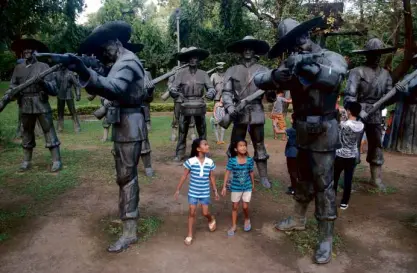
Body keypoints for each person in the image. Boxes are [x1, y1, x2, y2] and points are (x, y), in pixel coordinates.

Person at [253, 17, 348, 264]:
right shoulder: (290, 63)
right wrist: (279, 72)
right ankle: (298, 218)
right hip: (302, 129)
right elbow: (261, 80)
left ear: (308, 35)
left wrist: (306, 64)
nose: (297, 46)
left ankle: (325, 237)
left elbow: (334, 79)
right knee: (302, 178)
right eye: (291, 44)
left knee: (324, 184)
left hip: (325, 129)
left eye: (299, 39)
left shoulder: (330, 56)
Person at [67, 21, 148, 252]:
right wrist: (89, 70)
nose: (103, 55)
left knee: (127, 177)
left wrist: (84, 70)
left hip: (130, 124)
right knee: (123, 176)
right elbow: (102, 87)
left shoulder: (128, 61)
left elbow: (113, 88)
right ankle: (127, 222)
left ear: (115, 43)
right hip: (123, 123)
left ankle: (129, 230)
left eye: (104, 50)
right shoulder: (118, 62)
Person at [222, 36, 274, 189]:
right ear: (241, 51)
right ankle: (233, 174)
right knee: (235, 145)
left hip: (256, 110)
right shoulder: (232, 70)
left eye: (251, 48)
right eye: (245, 48)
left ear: (255, 51)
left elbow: (270, 97)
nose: (248, 51)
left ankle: (263, 176)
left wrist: (271, 91)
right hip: (238, 112)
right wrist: (230, 107)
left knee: (259, 144)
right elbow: (226, 92)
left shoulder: (264, 71)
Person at [344, 38, 396, 191]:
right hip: (357, 113)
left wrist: (391, 98)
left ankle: (376, 178)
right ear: (367, 55)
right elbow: (349, 96)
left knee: (376, 145)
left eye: (379, 54)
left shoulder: (386, 74)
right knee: (352, 145)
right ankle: (348, 179)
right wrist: (359, 111)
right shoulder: (356, 72)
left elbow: (388, 97)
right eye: (373, 54)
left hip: (376, 114)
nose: (376, 57)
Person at [9, 38, 62, 172]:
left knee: (49, 130)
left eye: (29, 49)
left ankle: (56, 160)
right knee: (26, 131)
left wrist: (43, 83)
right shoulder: (18, 68)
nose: (26, 51)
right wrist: (13, 93)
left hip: (41, 102)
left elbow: (54, 89)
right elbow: (12, 86)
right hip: (25, 104)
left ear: (34, 51)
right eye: (24, 49)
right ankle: (26, 161)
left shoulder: (44, 67)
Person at [169, 47, 216, 161]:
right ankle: (180, 153)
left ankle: (202, 151)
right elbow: (174, 87)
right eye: (189, 57)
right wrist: (173, 91)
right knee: (182, 129)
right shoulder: (180, 74)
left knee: (202, 130)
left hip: (199, 104)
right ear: (187, 59)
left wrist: (211, 93)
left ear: (198, 59)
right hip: (185, 104)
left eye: (194, 57)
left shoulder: (204, 74)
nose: (192, 60)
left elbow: (211, 88)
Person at [174, 138, 219, 245]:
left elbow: (211, 177)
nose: (208, 146)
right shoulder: (191, 162)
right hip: (193, 192)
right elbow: (184, 175)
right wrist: (177, 189)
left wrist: (215, 190)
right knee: (192, 212)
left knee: (205, 212)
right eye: (205, 144)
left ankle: (210, 218)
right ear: (198, 148)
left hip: (205, 192)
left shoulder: (210, 162)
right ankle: (189, 234)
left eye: (207, 144)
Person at [333, 102, 364, 210]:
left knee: (334, 178)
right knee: (348, 180)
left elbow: (337, 135)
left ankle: (332, 199)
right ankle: (344, 202)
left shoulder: (343, 125)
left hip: (340, 155)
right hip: (352, 156)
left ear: (349, 111)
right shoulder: (361, 125)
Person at [221, 139, 254, 236]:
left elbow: (251, 172)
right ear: (236, 149)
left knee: (245, 206)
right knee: (235, 206)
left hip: (247, 186)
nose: (243, 147)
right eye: (241, 145)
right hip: (235, 187)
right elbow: (227, 173)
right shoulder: (232, 161)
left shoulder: (249, 160)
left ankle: (247, 218)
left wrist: (253, 184)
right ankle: (234, 225)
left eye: (244, 145)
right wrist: (224, 187)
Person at [165, 48, 196, 142]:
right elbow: (170, 82)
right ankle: (174, 133)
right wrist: (171, 89)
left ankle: (192, 133)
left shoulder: (192, 69)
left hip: (189, 97)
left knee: (191, 115)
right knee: (176, 115)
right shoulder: (175, 69)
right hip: (178, 97)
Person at [54, 67, 81, 133]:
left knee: (72, 111)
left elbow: (76, 85)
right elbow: (53, 84)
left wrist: (78, 94)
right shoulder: (56, 74)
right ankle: (60, 126)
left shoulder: (70, 74)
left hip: (68, 94)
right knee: (60, 112)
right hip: (60, 94)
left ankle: (77, 125)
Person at [285, 115, 297, 195]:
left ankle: (294, 189)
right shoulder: (300, 129)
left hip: (292, 153)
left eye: (292, 118)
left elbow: (278, 131)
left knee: (292, 171)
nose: (290, 119)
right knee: (296, 171)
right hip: (298, 152)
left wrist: (275, 123)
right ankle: (295, 186)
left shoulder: (291, 130)